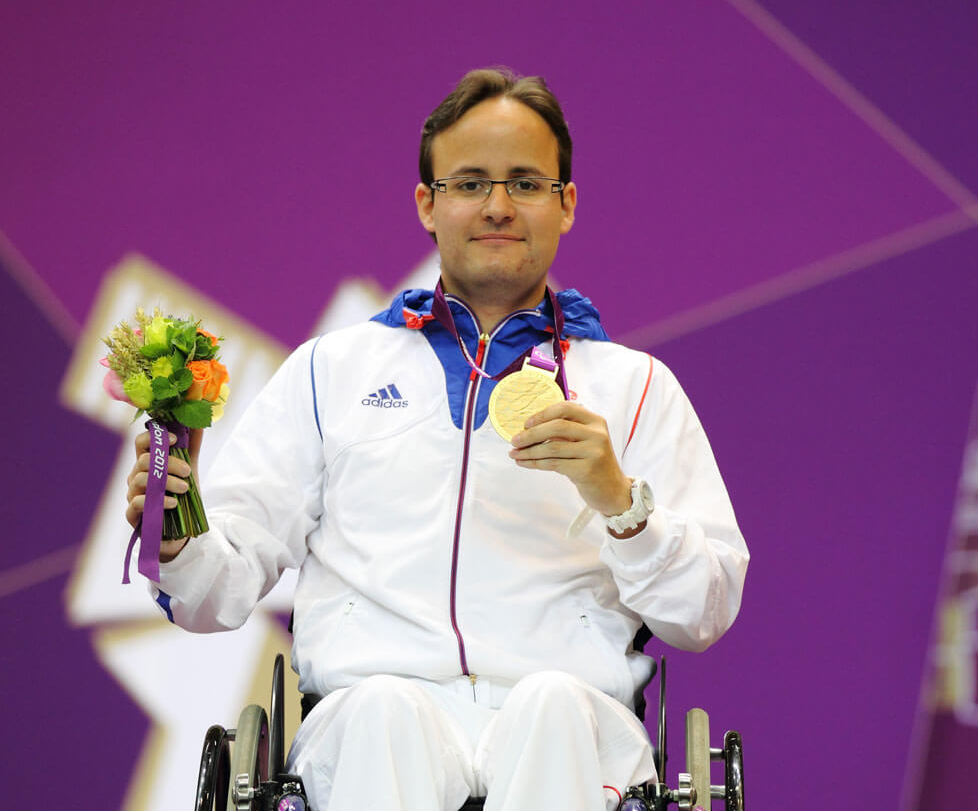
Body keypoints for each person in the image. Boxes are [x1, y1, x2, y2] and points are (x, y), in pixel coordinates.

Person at [126, 67, 748, 811]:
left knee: (552, 703)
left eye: (525, 182)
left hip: (572, 723)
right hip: (367, 719)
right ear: (428, 203)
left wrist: (622, 502)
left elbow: (703, 611)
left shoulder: (638, 388)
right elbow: (213, 596)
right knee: (386, 708)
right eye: (469, 182)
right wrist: (177, 536)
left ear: (566, 203)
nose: (496, 205)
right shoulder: (330, 371)